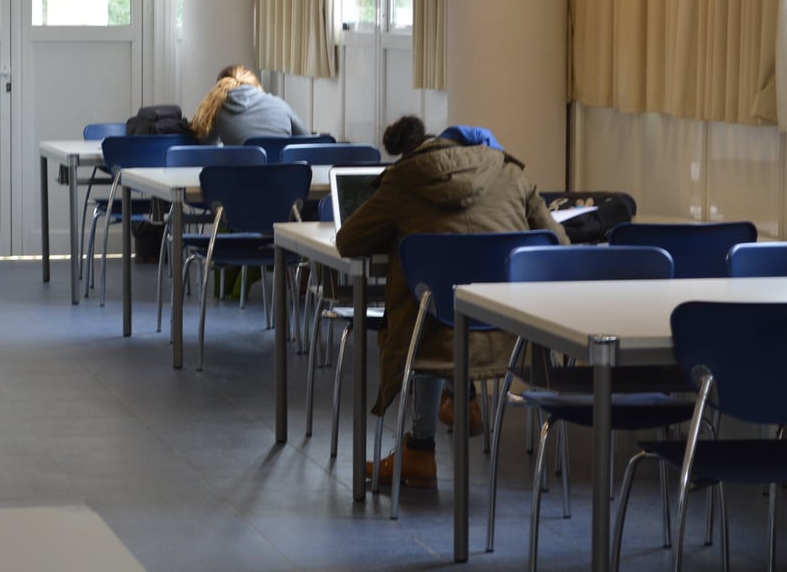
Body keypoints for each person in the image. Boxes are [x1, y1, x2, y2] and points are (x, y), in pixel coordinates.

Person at [334, 115, 568, 488]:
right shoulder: (511, 173)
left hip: (428, 335)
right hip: (510, 336)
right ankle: (462, 401)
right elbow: (559, 244)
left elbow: (349, 241)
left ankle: (421, 448)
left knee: (430, 305)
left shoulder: (402, 181)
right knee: (447, 305)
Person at [190, 64, 310, 145]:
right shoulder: (280, 104)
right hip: (284, 180)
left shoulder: (218, 110)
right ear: (256, 84)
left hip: (237, 181)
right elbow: (307, 140)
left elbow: (206, 147)